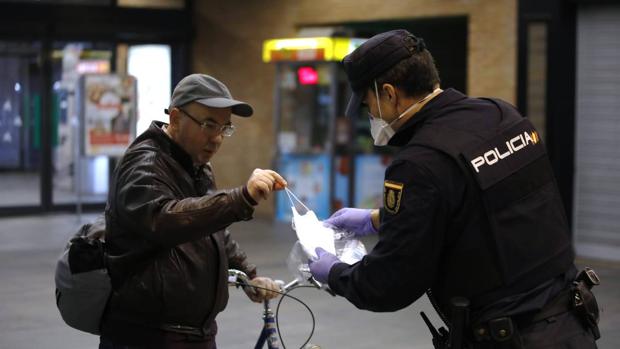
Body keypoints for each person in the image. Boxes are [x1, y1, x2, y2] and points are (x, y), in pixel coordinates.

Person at [309, 30, 600, 348]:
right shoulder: (501, 114)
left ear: (389, 94)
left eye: (368, 104)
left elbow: (389, 284)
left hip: (512, 338)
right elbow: (488, 210)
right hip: (572, 324)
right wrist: (381, 219)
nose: (371, 115)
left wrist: (335, 273)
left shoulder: (419, 163)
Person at [101, 74, 287, 349]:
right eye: (209, 124)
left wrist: (247, 273)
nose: (217, 139)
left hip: (195, 332)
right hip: (149, 335)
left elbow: (211, 229)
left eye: (225, 128)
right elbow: (164, 219)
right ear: (175, 118)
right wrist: (240, 198)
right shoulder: (144, 164)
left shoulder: (195, 165)